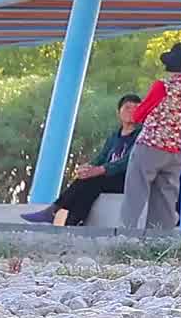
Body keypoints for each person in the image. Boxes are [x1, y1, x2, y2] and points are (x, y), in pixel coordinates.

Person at [22, 94, 142, 226]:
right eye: (127, 108)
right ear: (118, 112)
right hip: (107, 177)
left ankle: (55, 211)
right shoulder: (114, 136)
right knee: (88, 181)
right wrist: (88, 167)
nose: (132, 111)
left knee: (94, 180)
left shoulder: (142, 135)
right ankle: (70, 221)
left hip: (126, 179)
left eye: (136, 108)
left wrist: (101, 170)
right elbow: (102, 157)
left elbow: (129, 161)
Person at [119, 42, 181, 232]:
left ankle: (125, 234)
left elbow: (138, 115)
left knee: (135, 193)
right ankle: (158, 239)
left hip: (150, 146)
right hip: (177, 152)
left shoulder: (163, 86)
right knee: (165, 200)